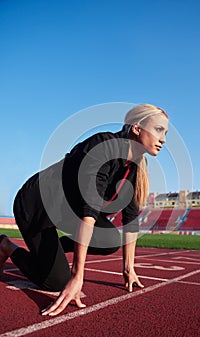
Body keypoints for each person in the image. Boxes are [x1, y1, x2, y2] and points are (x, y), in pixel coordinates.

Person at [0, 103, 168, 316]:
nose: (163, 139)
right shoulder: (103, 147)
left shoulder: (133, 169)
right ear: (137, 128)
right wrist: (77, 275)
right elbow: (88, 214)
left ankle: (53, 252)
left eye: (166, 133)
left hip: (65, 210)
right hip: (36, 204)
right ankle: (6, 245)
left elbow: (131, 221)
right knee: (55, 282)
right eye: (159, 130)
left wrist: (129, 269)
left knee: (109, 239)